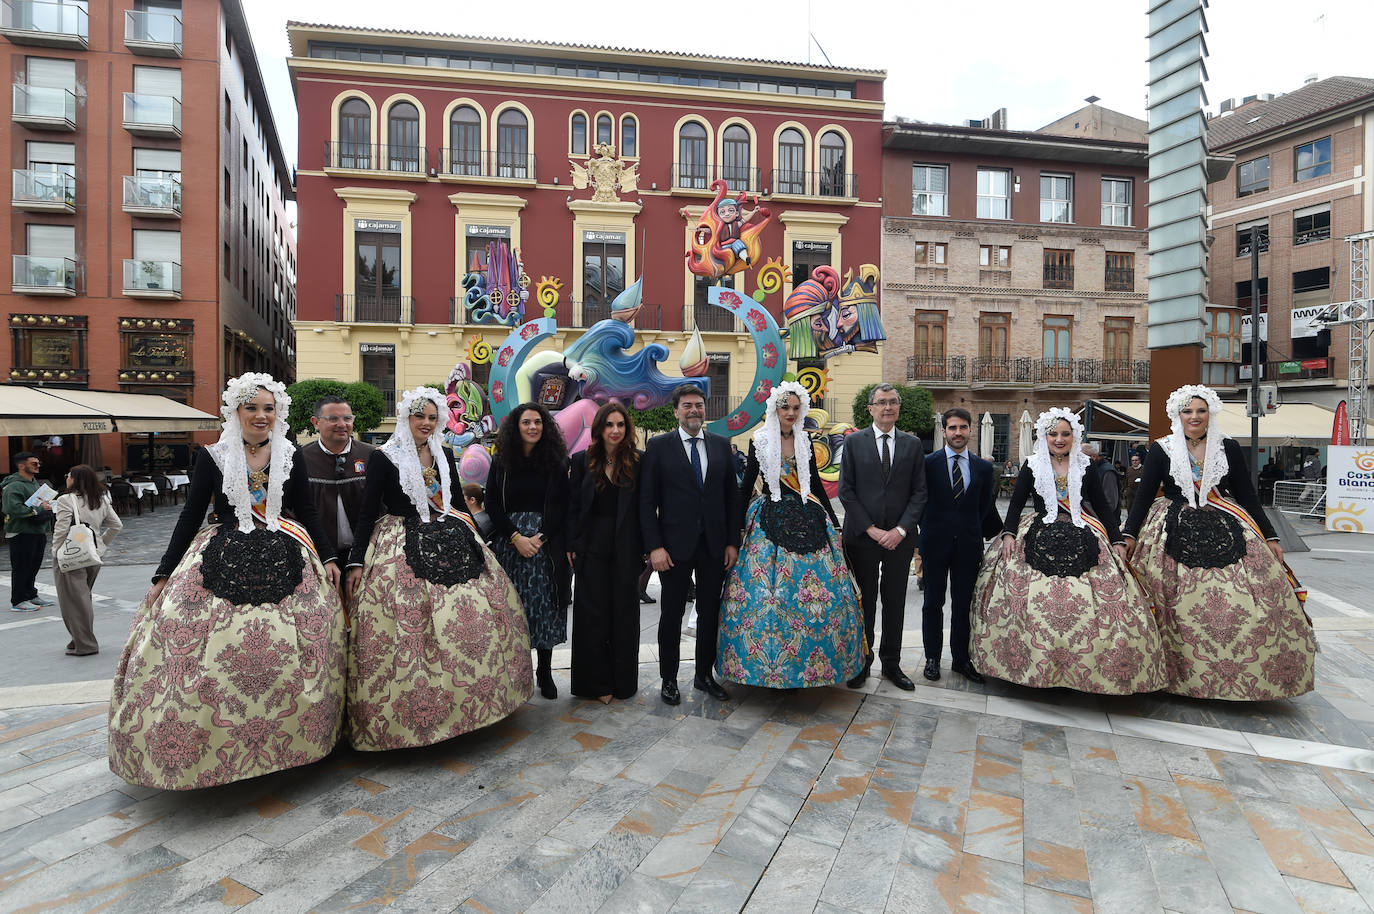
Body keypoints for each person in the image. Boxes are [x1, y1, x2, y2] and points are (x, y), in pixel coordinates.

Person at [108, 373, 346, 790]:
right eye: (251, 407)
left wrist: (327, 556)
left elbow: (307, 512)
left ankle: (292, 739)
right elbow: (191, 514)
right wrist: (164, 572)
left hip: (286, 550)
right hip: (220, 551)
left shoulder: (291, 454)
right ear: (235, 411)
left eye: (268, 409)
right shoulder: (212, 456)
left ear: (278, 414)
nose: (260, 415)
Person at [345, 387, 532, 750]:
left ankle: (474, 704)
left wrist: (479, 543)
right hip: (400, 540)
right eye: (419, 417)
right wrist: (356, 558)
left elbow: (459, 503)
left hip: (451, 534)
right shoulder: (385, 457)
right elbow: (369, 511)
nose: (426, 423)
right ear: (406, 418)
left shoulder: (444, 452)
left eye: (432, 417)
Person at [1121, 384, 1316, 700]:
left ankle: (1234, 675)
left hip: (1225, 522)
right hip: (1169, 527)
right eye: (1188, 411)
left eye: (1200, 411)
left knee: (1241, 600)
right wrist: (1129, 535)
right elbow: (1143, 497)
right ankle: (1173, 674)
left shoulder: (1228, 447)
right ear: (1177, 415)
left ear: (1210, 414)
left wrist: (1270, 536)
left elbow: (1247, 494)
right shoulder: (1162, 448)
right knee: (1172, 602)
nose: (1194, 417)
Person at [971, 410, 1164, 694]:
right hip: (1036, 530)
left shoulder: (1086, 465)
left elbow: (1100, 504)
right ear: (1044, 437)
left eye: (1065, 434)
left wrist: (1116, 539)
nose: (1059, 439)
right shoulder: (1032, 464)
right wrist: (1009, 533)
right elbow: (1016, 503)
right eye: (1053, 434)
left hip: (1083, 529)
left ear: (1074, 436)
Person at [721, 383, 865, 688]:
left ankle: (813, 665)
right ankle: (766, 668)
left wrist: (834, 524)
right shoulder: (759, 440)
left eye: (796, 408)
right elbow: (746, 486)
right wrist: (735, 530)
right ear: (775, 409)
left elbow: (811, 484)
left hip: (807, 515)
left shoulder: (805, 441)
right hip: (767, 520)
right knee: (769, 595)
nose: (790, 412)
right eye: (785, 407)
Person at [640, 384, 741, 705]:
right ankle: (669, 679)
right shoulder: (658, 447)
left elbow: (731, 499)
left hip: (713, 547)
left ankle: (703, 676)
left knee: (710, 614)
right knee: (671, 615)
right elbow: (646, 502)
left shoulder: (722, 446)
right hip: (672, 548)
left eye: (698, 404)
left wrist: (731, 542)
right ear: (676, 411)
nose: (694, 410)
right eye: (687, 405)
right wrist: (654, 547)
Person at [838, 384, 927, 690]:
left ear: (898, 408)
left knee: (895, 601)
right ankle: (861, 663)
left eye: (893, 403)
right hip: (862, 537)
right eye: (881, 403)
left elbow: (919, 492)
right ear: (870, 409)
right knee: (864, 601)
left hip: (899, 540)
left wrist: (900, 530)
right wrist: (871, 529)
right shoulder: (853, 443)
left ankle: (891, 665)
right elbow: (845, 491)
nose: (887, 407)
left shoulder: (912, 445)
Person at [488, 402, 571, 700]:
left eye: (538, 422)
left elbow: (563, 505)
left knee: (544, 608)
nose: (533, 427)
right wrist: (514, 537)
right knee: (514, 609)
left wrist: (540, 537)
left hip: (545, 547)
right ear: (516, 426)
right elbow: (492, 505)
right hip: (510, 546)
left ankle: (545, 673)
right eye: (527, 422)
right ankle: (516, 672)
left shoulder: (557, 461)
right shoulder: (501, 462)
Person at [566, 402, 643, 702]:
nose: (615, 430)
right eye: (609, 425)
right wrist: (573, 544)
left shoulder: (638, 462)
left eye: (620, 425)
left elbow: (645, 507)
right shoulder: (581, 460)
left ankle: (623, 683)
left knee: (625, 615)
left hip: (627, 547)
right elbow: (573, 508)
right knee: (591, 616)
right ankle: (596, 685)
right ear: (599, 428)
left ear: (627, 429)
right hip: (591, 549)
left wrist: (648, 547)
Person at [920, 407, 996, 684]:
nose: (958, 433)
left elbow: (985, 505)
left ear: (970, 430)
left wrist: (971, 529)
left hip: (968, 544)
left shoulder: (984, 468)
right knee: (932, 603)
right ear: (943, 431)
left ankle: (961, 660)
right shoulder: (928, 464)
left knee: (963, 605)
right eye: (952, 428)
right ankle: (932, 658)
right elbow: (919, 501)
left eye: (963, 427)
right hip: (934, 542)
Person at [51, 465, 123, 656]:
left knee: (72, 601)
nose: (66, 478)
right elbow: (116, 525)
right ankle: (78, 638)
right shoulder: (100, 498)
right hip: (93, 555)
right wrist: (101, 546)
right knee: (82, 598)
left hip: (71, 555)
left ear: (74, 479)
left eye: (68, 475)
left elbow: (61, 529)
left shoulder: (66, 499)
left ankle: (85, 643)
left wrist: (55, 552)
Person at [301, 394, 376, 570]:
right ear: (316, 422)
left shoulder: (372, 456)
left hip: (367, 556)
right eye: (333, 419)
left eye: (347, 418)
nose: (342, 424)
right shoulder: (300, 459)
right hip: (318, 557)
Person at [3, 451, 54, 612]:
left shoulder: (33, 483)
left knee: (33, 565)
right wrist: (39, 508)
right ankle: (18, 600)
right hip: (21, 531)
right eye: (34, 463)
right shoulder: (13, 486)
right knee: (21, 566)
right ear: (21, 465)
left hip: (37, 530)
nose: (38, 466)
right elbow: (11, 508)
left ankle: (31, 594)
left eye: (39, 463)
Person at [1082, 442, 1121, 522]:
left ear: (1093, 457)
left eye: (1082, 457)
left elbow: (1110, 503)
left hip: (1103, 522)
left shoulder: (1107, 472)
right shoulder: (1092, 469)